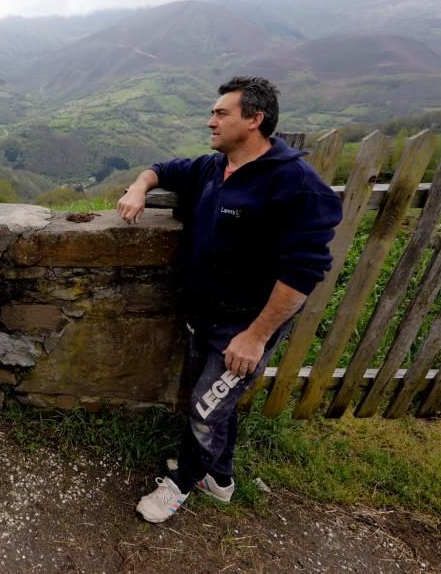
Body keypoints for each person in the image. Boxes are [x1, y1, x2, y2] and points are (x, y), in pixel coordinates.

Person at [116, 76, 342, 523]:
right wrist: (138, 187)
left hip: (244, 326)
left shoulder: (295, 184)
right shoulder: (211, 168)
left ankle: (181, 484)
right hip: (203, 314)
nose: (210, 121)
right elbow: (161, 167)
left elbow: (304, 270)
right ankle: (219, 478)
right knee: (216, 402)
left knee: (204, 409)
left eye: (221, 113)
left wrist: (256, 336)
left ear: (254, 120)